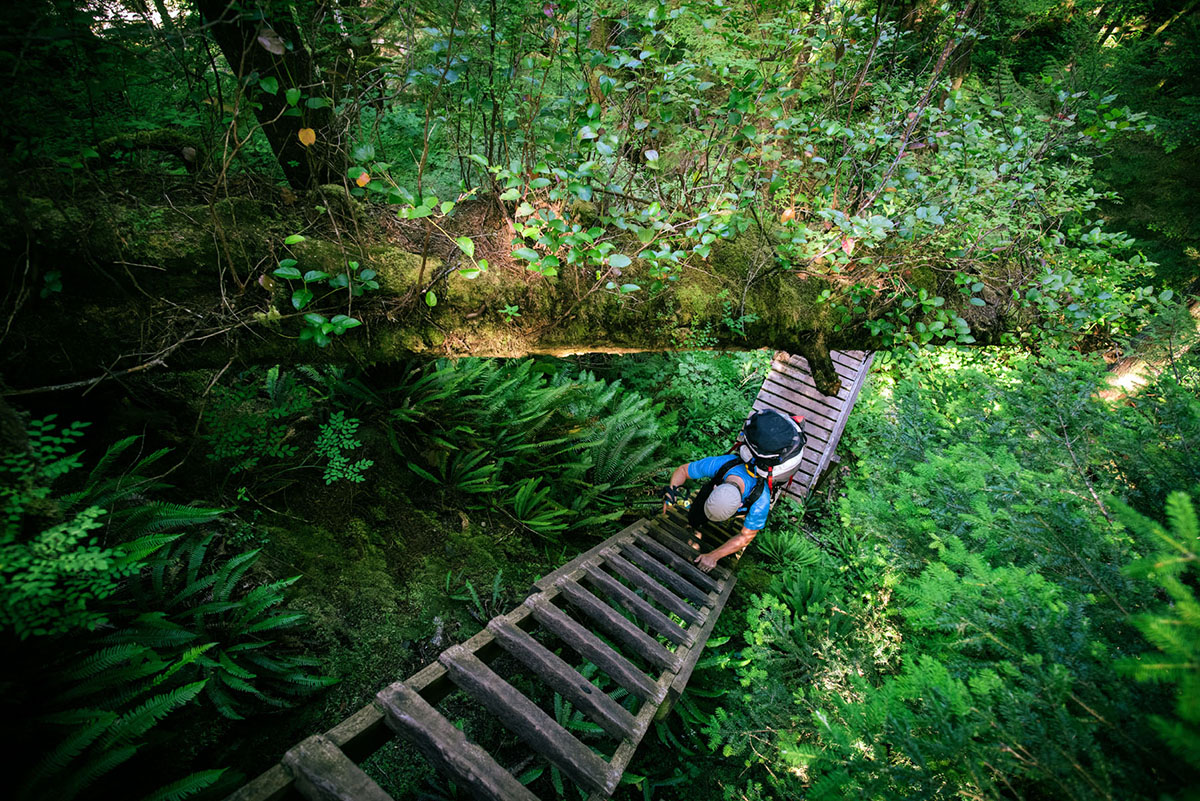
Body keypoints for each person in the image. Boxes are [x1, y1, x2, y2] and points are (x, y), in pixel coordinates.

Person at [661, 455, 771, 573]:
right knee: (694, 517)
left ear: (740, 506)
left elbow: (746, 536)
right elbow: (683, 470)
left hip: (745, 498)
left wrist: (714, 556)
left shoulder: (761, 501)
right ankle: (695, 521)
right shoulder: (722, 464)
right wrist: (671, 493)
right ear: (714, 487)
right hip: (719, 489)